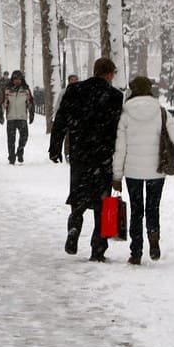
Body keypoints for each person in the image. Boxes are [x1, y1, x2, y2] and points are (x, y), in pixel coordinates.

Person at [49, 58, 123, 261]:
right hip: (104, 155)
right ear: (109, 74)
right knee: (104, 201)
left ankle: (74, 228)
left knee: (79, 195)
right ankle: (98, 248)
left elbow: (61, 120)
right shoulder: (115, 96)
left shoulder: (75, 91)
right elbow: (119, 128)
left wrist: (55, 147)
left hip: (80, 153)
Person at [112, 76, 174, 265]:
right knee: (153, 207)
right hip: (156, 170)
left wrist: (117, 175)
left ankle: (136, 252)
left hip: (133, 171)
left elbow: (120, 148)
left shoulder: (125, 114)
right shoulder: (161, 112)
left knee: (136, 210)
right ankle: (153, 239)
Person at [3, 70, 35, 164]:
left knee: (24, 137)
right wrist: (2, 112)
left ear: (22, 80)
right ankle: (11, 157)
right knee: (11, 139)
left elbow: (30, 103)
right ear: (12, 79)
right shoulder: (7, 90)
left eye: (19, 79)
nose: (17, 81)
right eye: (15, 79)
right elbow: (2, 102)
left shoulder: (26, 90)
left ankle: (20, 151)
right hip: (11, 118)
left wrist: (31, 114)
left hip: (22, 117)